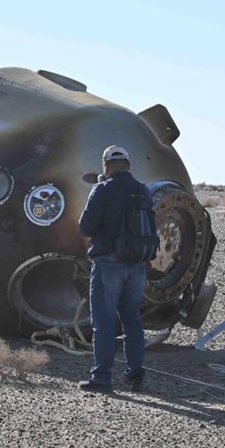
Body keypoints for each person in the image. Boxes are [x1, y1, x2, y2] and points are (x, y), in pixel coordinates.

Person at [77, 145, 152, 393]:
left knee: (104, 321)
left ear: (105, 165)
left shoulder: (102, 189)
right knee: (132, 321)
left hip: (108, 263)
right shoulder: (142, 190)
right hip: (137, 265)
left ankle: (102, 378)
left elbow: (86, 227)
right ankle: (135, 375)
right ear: (128, 166)